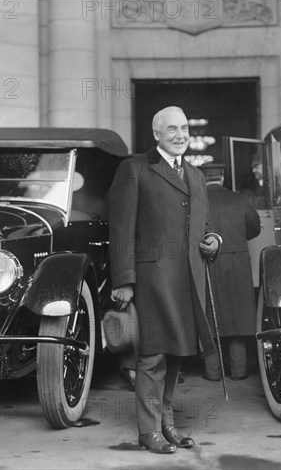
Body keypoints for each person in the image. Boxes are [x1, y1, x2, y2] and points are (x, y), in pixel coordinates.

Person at [108, 106, 222, 454]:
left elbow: (204, 226)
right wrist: (124, 280)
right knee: (153, 355)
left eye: (184, 128)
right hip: (153, 278)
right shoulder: (135, 169)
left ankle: (166, 425)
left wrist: (215, 240)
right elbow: (121, 227)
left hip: (189, 278)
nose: (180, 135)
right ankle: (148, 431)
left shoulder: (196, 175)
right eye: (171, 129)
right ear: (156, 134)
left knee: (177, 354)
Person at [198, 164, 261, 381]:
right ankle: (239, 371)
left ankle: (213, 372)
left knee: (211, 318)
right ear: (222, 177)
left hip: (207, 262)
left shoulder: (196, 201)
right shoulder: (240, 199)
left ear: (202, 178)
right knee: (237, 319)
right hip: (237, 262)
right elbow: (255, 228)